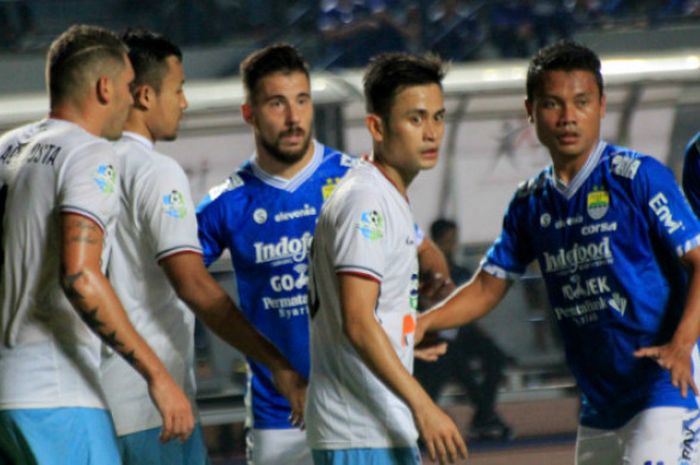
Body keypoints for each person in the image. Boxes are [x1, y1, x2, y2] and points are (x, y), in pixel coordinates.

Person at [418, 40, 700, 464]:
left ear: (602, 105)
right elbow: (486, 287)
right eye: (553, 104)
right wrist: (421, 324)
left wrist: (681, 345)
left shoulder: (639, 178)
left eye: (581, 102)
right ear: (530, 111)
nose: (568, 117)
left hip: (663, 389)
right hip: (599, 407)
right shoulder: (529, 202)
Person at [102, 30, 306, 465]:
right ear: (143, 96)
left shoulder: (78, 162)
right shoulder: (156, 172)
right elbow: (194, 285)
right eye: (178, 89)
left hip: (83, 402)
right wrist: (276, 363)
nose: (184, 102)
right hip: (150, 404)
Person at [0, 24, 194, 465]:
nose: (131, 101)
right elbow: (81, 276)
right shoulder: (88, 154)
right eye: (128, 88)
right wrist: (158, 375)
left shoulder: (6, 148)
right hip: (55, 393)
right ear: (105, 87)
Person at [196, 44, 357, 465]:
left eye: (302, 101)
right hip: (279, 418)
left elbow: (413, 256)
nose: (293, 117)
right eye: (277, 103)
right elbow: (179, 278)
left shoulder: (355, 180)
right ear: (249, 113)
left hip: (359, 405)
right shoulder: (226, 204)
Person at [305, 52, 468, 465]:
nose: (431, 132)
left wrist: (404, 335)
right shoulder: (367, 201)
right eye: (415, 119)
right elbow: (358, 322)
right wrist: (425, 407)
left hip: (372, 427)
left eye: (438, 117)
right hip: (360, 431)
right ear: (377, 127)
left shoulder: (384, 195)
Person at [414, 218, 513, 441]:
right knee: (453, 362)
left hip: (461, 332)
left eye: (454, 240)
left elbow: (469, 307)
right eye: (447, 241)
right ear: (436, 241)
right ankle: (484, 416)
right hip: (435, 335)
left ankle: (484, 414)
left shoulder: (460, 273)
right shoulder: (422, 273)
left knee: (495, 357)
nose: (452, 245)